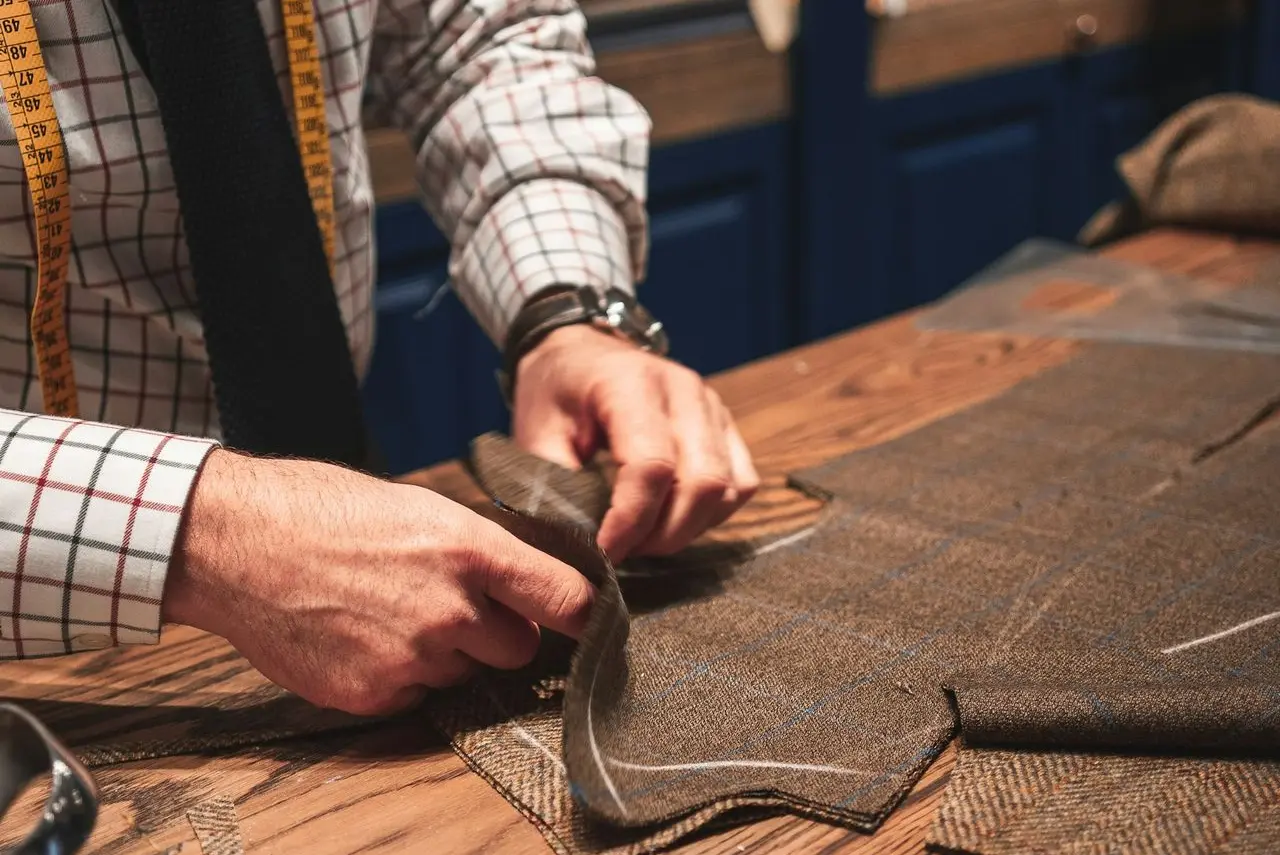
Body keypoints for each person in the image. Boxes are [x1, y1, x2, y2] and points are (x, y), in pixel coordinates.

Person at [0, 0, 758, 716]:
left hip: (374, 598)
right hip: (45, 671)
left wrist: (564, 315)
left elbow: (478, 36)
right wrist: (207, 533)